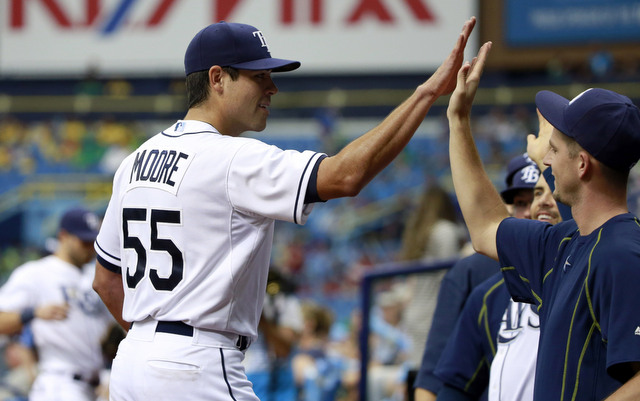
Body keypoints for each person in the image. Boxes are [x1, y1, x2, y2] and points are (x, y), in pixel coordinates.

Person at [92, 18, 485, 401]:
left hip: (133, 359)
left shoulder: (134, 162)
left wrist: (155, 344)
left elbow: (106, 282)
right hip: (196, 363)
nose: (273, 87)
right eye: (258, 77)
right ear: (217, 79)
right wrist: (427, 94)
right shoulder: (233, 158)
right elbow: (347, 176)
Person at [447, 39, 640, 400]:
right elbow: (485, 226)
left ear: (582, 164)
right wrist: (458, 121)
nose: (545, 161)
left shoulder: (623, 254)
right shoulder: (562, 242)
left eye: (555, 148)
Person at [413, 152, 539, 401]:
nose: (530, 212)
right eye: (521, 203)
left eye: (538, 197)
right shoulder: (472, 273)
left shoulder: (580, 266)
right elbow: (432, 382)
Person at [434, 175, 562, 401]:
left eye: (552, 191)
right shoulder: (487, 294)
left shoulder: (592, 275)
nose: (541, 203)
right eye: (526, 200)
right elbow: (452, 386)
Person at [0, 207, 117, 401]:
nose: (90, 247)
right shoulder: (35, 273)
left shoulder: (95, 276)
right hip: (59, 383)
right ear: (64, 236)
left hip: (98, 385)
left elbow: (109, 335)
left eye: (92, 241)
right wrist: (33, 313)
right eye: (84, 241)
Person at [243, 269, 303, 401]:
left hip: (275, 371)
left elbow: (284, 350)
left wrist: (264, 321)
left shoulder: (286, 301)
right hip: (248, 369)